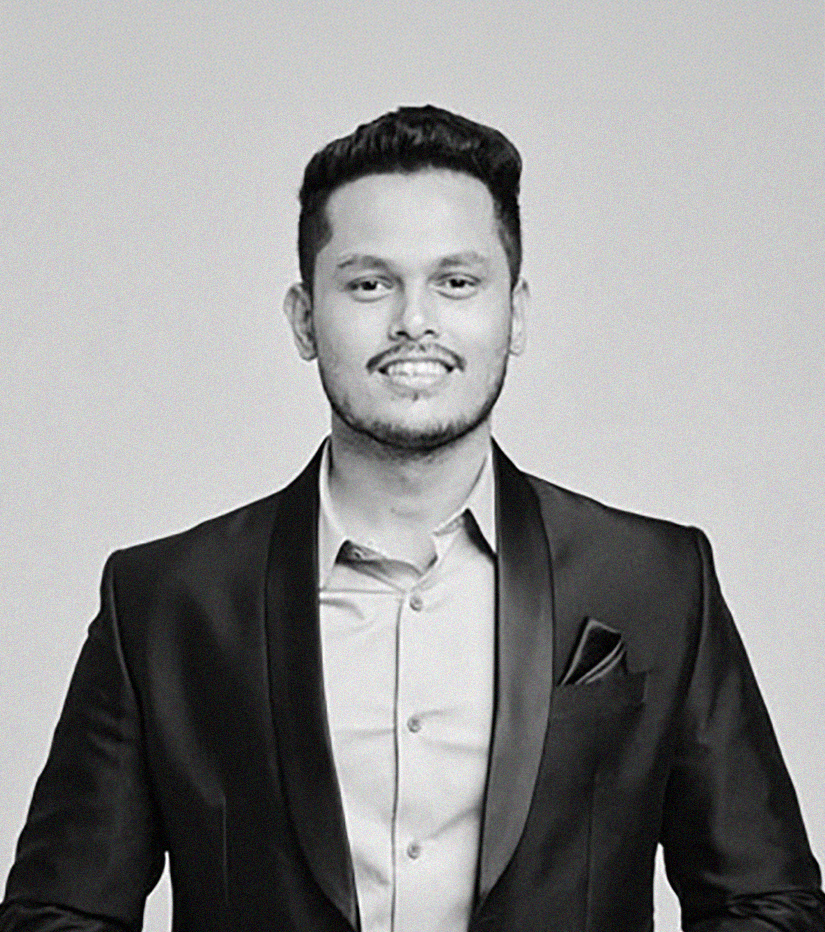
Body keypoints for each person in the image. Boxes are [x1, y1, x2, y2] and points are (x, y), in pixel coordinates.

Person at [2, 105, 823, 932]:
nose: (413, 321)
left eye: (455, 282)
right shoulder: (165, 600)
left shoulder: (653, 581)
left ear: (516, 313)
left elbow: (766, 902)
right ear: (303, 318)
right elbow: (57, 912)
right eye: (369, 283)